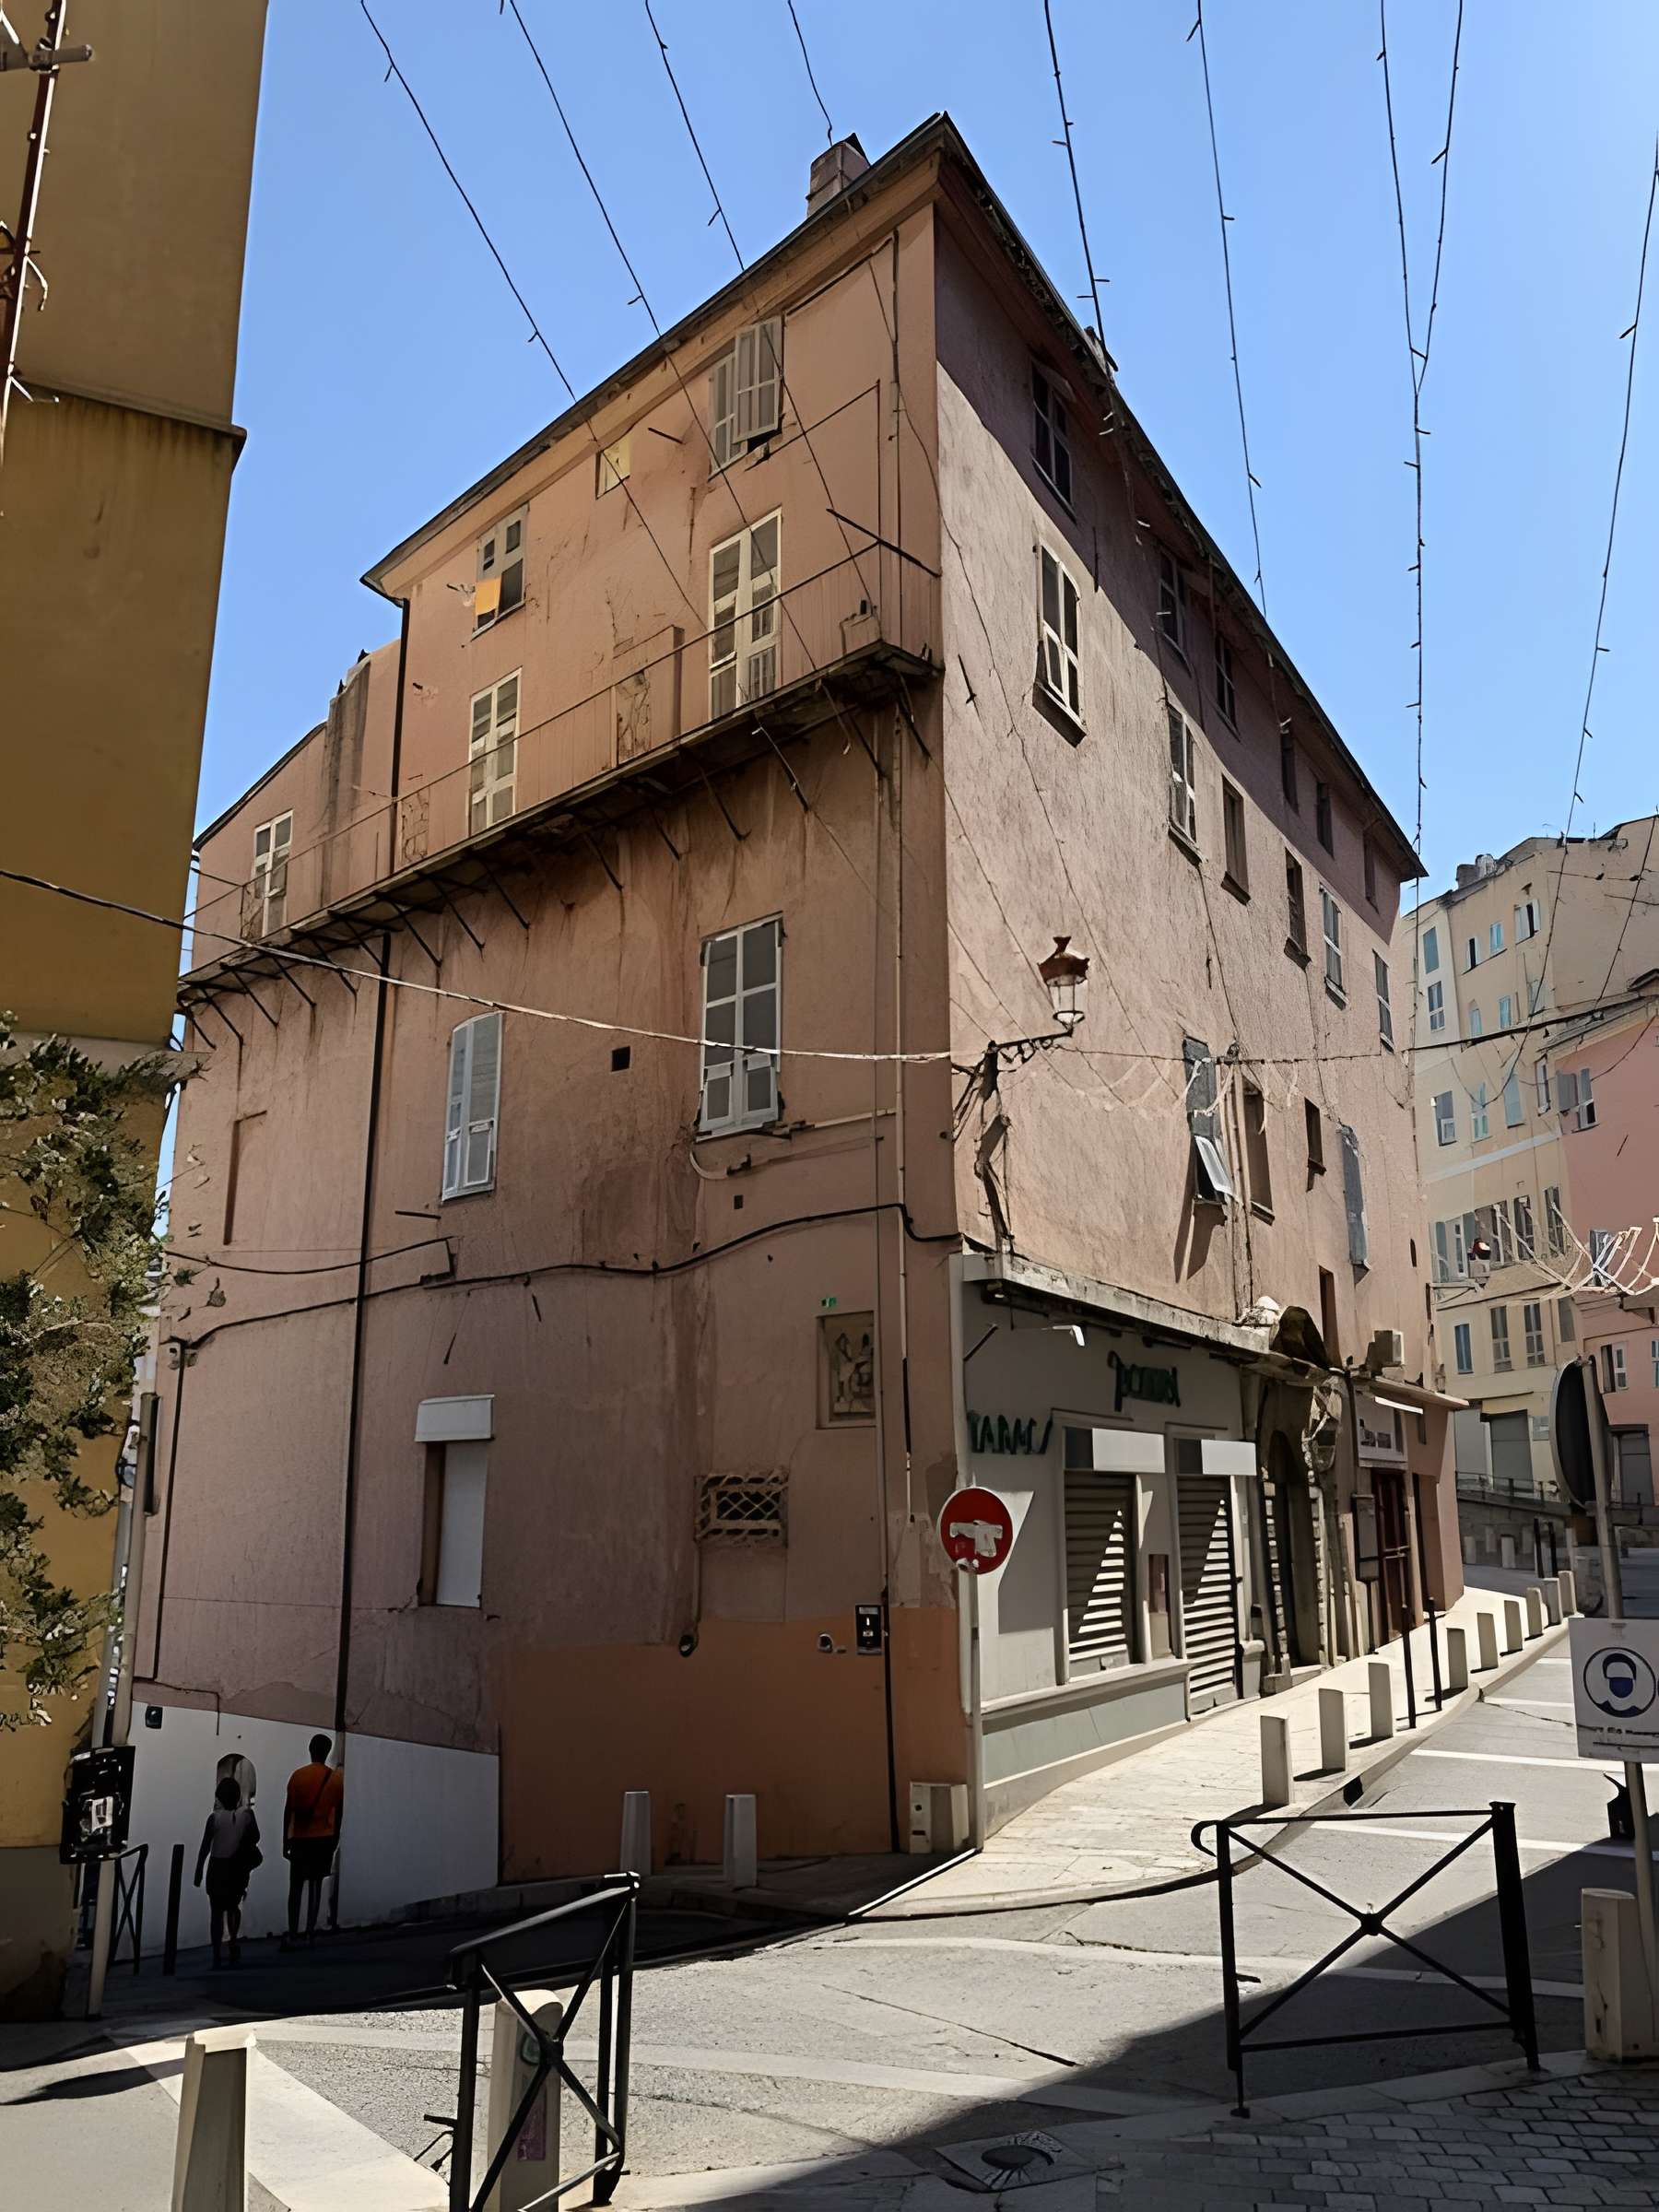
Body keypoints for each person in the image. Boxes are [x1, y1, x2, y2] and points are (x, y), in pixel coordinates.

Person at [282, 1733, 343, 1947]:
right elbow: (339, 1812)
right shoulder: (335, 1779)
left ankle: (293, 1931)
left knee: (295, 1887)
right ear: (327, 1752)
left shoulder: (298, 1776)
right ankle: (310, 1932)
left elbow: (288, 1810)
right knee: (316, 1883)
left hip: (300, 1838)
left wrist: (285, 1841)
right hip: (323, 1838)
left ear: (310, 1749)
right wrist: (335, 1838)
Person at [193, 1774, 260, 1969]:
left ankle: (216, 1953)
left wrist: (198, 1870)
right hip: (236, 1867)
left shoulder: (213, 1819)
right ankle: (232, 1941)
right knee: (233, 1906)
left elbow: (205, 1847)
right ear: (237, 1797)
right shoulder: (247, 1815)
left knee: (216, 1912)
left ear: (219, 1797)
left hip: (217, 1867)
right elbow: (255, 1837)